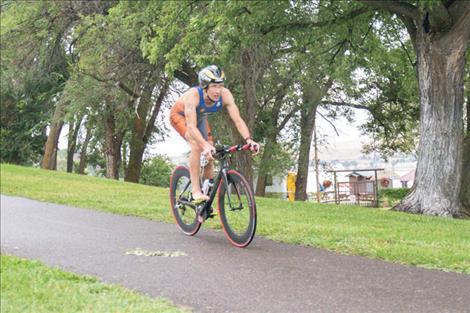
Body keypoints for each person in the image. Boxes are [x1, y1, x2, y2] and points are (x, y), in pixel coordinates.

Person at [170, 65, 260, 203]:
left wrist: (248, 139)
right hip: (180, 117)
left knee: (211, 150)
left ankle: (207, 190)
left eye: (221, 86)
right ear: (205, 87)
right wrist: (203, 145)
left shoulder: (225, 95)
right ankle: (195, 191)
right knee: (196, 145)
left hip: (200, 118)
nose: (218, 91)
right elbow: (192, 127)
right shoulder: (193, 95)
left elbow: (238, 120)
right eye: (214, 86)